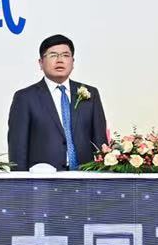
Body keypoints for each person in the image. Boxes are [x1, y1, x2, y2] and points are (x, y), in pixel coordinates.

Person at [7, 33, 108, 171]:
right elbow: (18, 147)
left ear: (73, 62)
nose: (60, 60)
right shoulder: (25, 97)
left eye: (66, 55)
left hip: (86, 176)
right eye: (53, 55)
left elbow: (100, 141)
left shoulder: (91, 93)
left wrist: (103, 175)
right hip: (42, 178)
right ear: (41, 63)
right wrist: (20, 180)